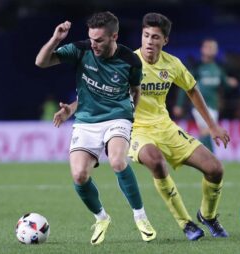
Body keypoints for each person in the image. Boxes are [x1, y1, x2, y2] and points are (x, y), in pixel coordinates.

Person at [55, 13, 230, 241]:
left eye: (155, 37)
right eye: (146, 35)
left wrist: (213, 126)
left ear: (164, 41)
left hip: (165, 127)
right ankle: (186, 223)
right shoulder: (127, 61)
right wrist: (70, 108)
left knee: (215, 169)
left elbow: (192, 90)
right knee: (155, 160)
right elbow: (97, 95)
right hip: (134, 128)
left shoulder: (173, 64)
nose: (149, 41)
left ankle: (208, 216)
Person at [35, 11, 156, 245]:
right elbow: (41, 62)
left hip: (117, 117)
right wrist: (56, 39)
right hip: (86, 120)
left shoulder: (130, 60)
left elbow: (135, 90)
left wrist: (130, 114)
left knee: (118, 161)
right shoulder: (81, 50)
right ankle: (101, 218)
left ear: (114, 36)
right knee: (79, 175)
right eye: (91, 39)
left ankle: (140, 216)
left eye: (99, 40)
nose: (94, 44)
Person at [173, 39, 237, 152]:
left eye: (213, 47)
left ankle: (200, 157)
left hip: (213, 106)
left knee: (205, 132)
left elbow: (225, 85)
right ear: (202, 49)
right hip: (199, 106)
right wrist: (179, 104)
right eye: (208, 47)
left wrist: (230, 82)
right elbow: (185, 85)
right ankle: (211, 157)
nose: (211, 49)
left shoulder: (217, 69)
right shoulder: (197, 68)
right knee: (207, 130)